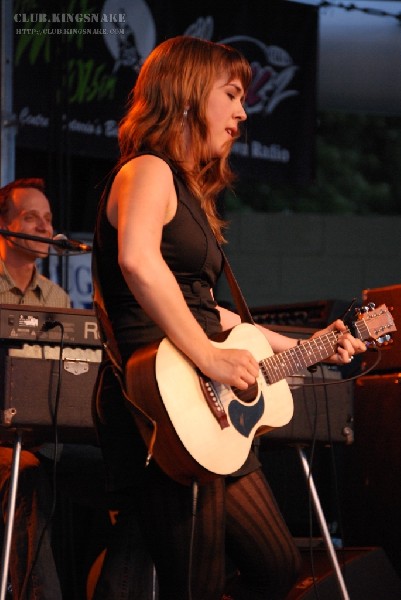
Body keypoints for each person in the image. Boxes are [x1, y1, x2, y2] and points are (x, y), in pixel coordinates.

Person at [91, 36, 367, 600]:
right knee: (196, 579)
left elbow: (215, 313)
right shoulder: (146, 170)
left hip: (204, 402)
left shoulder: (189, 192)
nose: (244, 112)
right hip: (159, 398)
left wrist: (313, 343)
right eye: (233, 94)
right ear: (190, 94)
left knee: (276, 566)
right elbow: (137, 260)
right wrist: (208, 354)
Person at [0, 178, 107, 600]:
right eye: (31, 218)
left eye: (48, 220)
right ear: (5, 226)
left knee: (137, 477)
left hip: (46, 439)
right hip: (6, 443)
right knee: (25, 475)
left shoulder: (57, 297)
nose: (45, 229)